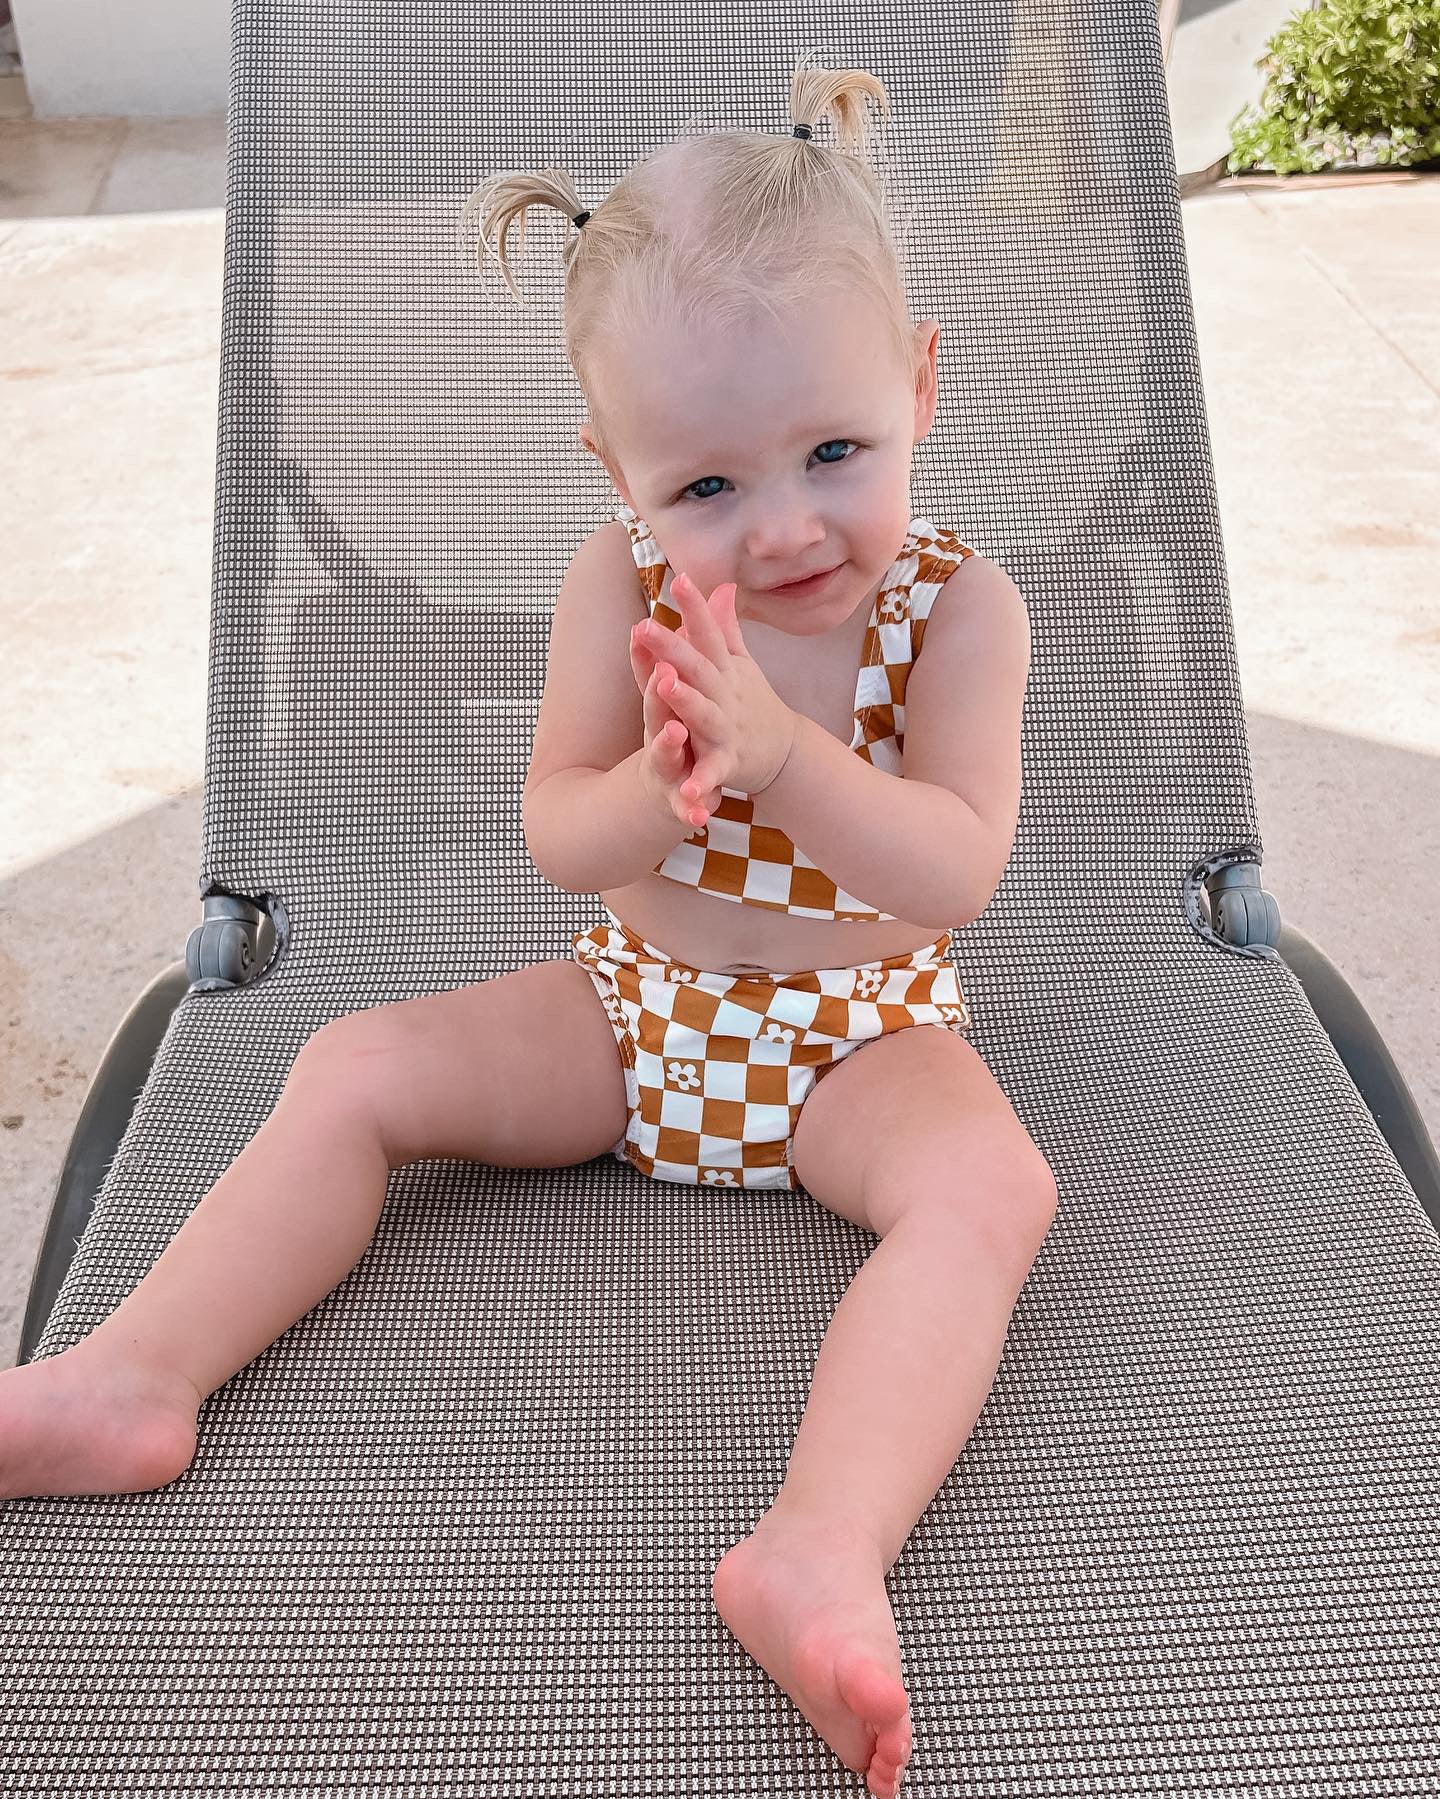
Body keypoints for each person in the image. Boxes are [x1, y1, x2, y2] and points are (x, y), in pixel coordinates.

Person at [1, 49, 1057, 1799]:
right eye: (707, 486)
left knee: (992, 1192)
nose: (785, 524)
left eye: (836, 451)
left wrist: (786, 756)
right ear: (616, 469)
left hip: (861, 1042)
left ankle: (816, 1545)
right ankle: (131, 1379)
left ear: (923, 388)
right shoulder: (615, 586)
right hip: (632, 1014)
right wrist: (663, 793)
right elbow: (561, 833)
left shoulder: (960, 613)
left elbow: (953, 871)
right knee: (352, 1066)